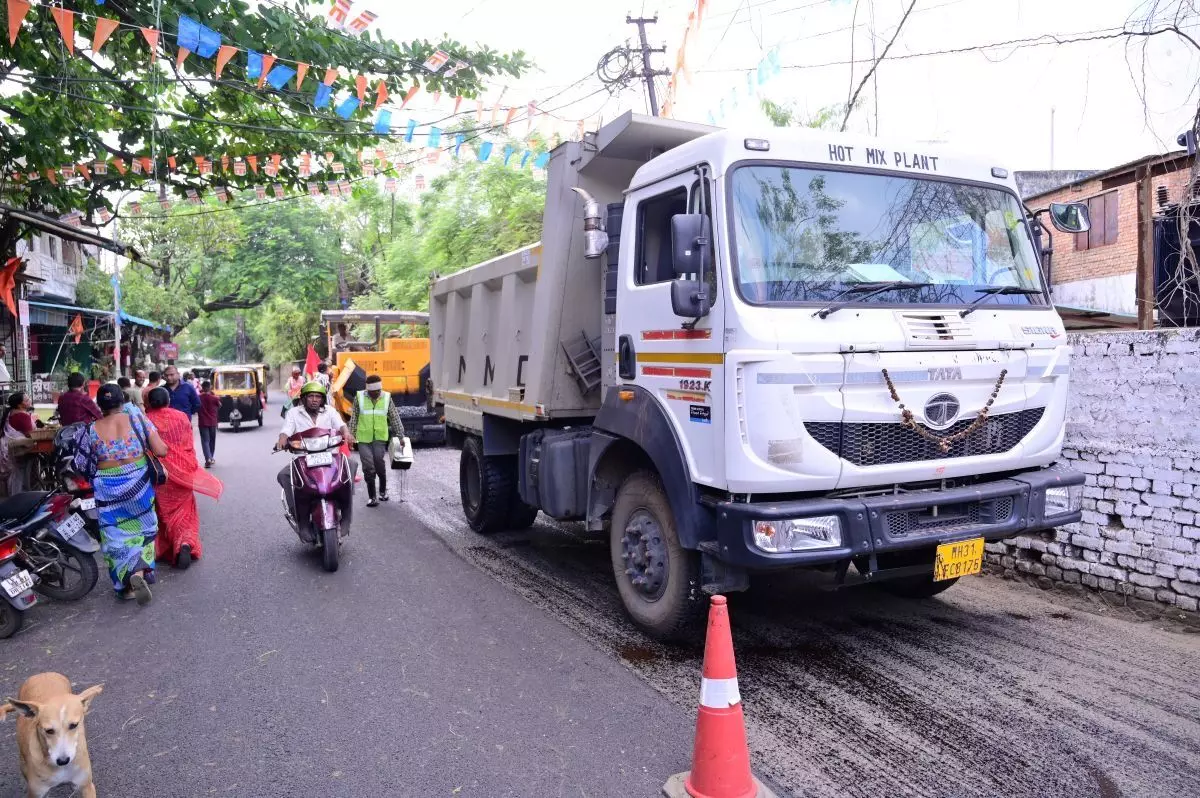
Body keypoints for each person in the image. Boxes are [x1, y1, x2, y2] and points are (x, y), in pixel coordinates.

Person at [72, 384, 168, 604]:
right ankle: (139, 572)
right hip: (139, 485)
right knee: (144, 528)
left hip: (108, 488)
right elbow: (161, 450)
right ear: (122, 401)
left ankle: (125, 584)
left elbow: (81, 466)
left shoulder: (89, 429)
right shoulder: (136, 418)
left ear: (99, 405)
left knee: (114, 535)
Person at [145, 387, 222, 570]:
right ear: (168, 401)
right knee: (185, 511)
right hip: (182, 471)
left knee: (162, 513)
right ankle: (185, 543)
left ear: (149, 403)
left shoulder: (146, 420)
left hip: (160, 473)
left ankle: (165, 549)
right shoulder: (181, 417)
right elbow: (187, 445)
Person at [276, 382, 354, 525]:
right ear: (304, 398)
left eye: (318, 396)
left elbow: (341, 425)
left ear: (322, 399)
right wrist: (282, 440)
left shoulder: (330, 411)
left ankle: (347, 511)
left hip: (331, 455)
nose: (314, 399)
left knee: (352, 466)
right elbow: (286, 430)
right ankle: (297, 514)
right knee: (284, 475)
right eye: (310, 396)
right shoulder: (294, 413)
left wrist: (347, 434)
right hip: (303, 458)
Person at [348, 375, 405, 507]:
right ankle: (372, 496)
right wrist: (351, 436)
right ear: (368, 391)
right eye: (373, 392)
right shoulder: (359, 397)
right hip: (363, 438)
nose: (377, 394)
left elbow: (394, 417)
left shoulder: (387, 398)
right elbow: (354, 418)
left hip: (379, 437)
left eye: (378, 391)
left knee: (379, 463)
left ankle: (383, 491)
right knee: (368, 466)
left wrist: (401, 436)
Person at [0, 391, 41, 496]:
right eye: (27, 400)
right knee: (20, 474)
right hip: (20, 450)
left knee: (17, 474)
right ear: (20, 405)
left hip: (9, 449)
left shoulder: (11, 412)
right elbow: (30, 435)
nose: (29, 400)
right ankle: (19, 497)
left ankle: (16, 496)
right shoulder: (22, 416)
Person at [198, 381, 220, 468]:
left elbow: (196, 406)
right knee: (212, 441)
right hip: (212, 422)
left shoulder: (199, 397)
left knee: (205, 441)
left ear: (202, 388)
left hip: (203, 422)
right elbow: (219, 405)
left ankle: (208, 458)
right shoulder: (214, 398)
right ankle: (211, 457)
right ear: (210, 387)